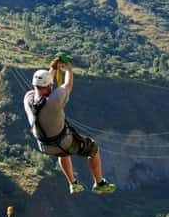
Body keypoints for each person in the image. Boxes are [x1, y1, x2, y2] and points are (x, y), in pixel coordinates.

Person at [24, 54, 116, 194]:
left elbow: (45, 86)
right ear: (49, 86)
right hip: (64, 142)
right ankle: (99, 183)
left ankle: (72, 183)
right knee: (93, 149)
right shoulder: (54, 100)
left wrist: (53, 68)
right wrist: (69, 69)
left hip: (45, 146)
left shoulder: (28, 99)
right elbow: (68, 85)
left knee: (62, 153)